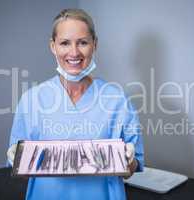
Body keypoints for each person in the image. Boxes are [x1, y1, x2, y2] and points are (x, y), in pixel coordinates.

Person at [7, 8, 144, 200]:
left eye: (83, 42)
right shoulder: (31, 100)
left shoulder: (118, 99)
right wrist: (18, 159)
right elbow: (22, 171)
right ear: (53, 46)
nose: (74, 52)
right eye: (64, 43)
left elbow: (133, 167)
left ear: (94, 45)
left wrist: (129, 161)